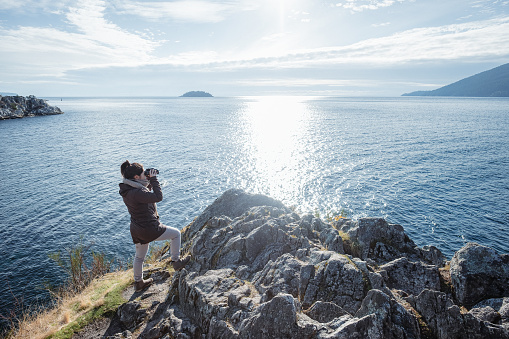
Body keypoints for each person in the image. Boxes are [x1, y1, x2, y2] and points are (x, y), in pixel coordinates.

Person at [119, 160, 190, 291]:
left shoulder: (128, 190)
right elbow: (158, 197)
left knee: (139, 257)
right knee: (176, 234)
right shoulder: (137, 192)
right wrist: (154, 179)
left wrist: (148, 181)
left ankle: (138, 282)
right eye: (142, 173)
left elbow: (145, 196)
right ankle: (176, 262)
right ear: (136, 177)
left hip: (136, 229)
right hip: (149, 228)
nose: (145, 175)